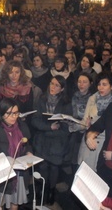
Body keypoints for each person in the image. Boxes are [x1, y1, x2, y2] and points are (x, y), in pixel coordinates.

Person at [31, 76, 73, 205]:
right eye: (52, 83)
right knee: (43, 166)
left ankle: (51, 191)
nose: (53, 87)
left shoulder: (66, 103)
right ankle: (42, 190)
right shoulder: (41, 99)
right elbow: (34, 120)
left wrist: (52, 130)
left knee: (54, 168)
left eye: (57, 85)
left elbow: (66, 127)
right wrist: (50, 127)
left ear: (62, 89)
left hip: (57, 142)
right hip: (42, 140)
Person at [0, 98, 32, 210]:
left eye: (16, 113)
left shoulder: (21, 126)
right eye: (9, 113)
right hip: (3, 175)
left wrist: (29, 152)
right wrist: (6, 161)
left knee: (15, 202)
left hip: (19, 173)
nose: (14, 116)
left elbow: (27, 144)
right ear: (1, 113)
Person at [77, 71, 112, 171]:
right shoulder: (93, 98)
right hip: (89, 138)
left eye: (104, 84)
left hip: (103, 142)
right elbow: (85, 119)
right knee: (82, 171)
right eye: (99, 84)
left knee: (96, 173)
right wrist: (81, 125)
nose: (101, 87)